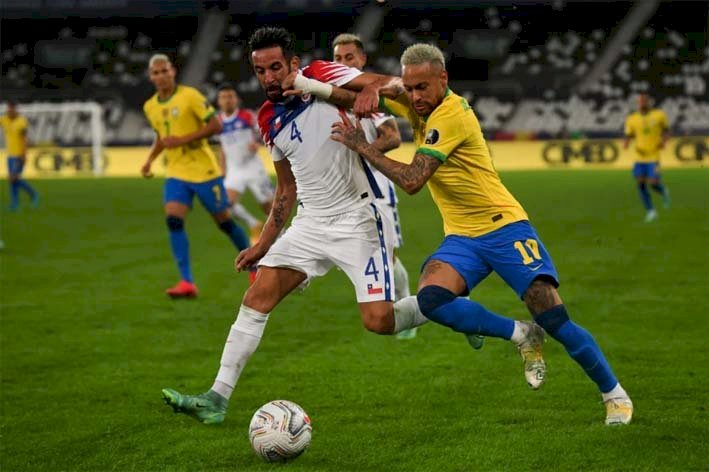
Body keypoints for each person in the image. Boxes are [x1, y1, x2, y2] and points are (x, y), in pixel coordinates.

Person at [160, 28, 541, 424]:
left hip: (357, 221)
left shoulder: (324, 74)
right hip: (309, 224)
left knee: (380, 321)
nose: (270, 77)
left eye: (276, 67)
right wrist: (262, 245)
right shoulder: (267, 118)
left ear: (294, 64)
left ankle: (450, 307)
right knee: (257, 297)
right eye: (260, 71)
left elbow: (391, 84)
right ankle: (216, 399)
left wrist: (375, 91)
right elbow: (285, 190)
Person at [330, 43, 632, 425]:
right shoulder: (415, 102)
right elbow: (348, 94)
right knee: (433, 299)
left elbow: (411, 180)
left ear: (443, 79)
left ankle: (614, 395)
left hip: (503, 226)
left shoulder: (452, 115)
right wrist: (307, 87)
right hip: (463, 237)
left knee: (553, 315)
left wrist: (363, 147)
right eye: (410, 88)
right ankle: (522, 335)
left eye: (423, 87)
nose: (415, 97)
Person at [332, 33, 422, 342]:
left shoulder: (371, 95)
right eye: (338, 59)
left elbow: (393, 136)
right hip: (349, 193)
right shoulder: (333, 95)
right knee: (365, 256)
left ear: (362, 60)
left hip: (379, 189)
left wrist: (361, 151)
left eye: (349, 58)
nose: (344, 63)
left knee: (389, 257)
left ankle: (408, 304)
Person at [141, 54, 252, 298]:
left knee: (224, 223)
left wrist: (182, 140)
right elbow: (162, 137)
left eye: (164, 71)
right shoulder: (150, 106)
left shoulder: (190, 96)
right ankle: (187, 282)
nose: (160, 76)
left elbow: (216, 126)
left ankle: (254, 265)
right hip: (176, 172)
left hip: (204, 172)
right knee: (173, 220)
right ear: (151, 77)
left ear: (173, 71)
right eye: (155, 72)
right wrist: (150, 160)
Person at [215, 82, 274, 244]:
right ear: (218, 101)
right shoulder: (217, 122)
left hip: (254, 168)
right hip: (235, 171)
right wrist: (222, 170)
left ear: (236, 100)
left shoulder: (247, 116)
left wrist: (257, 142)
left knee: (268, 207)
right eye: (224, 97)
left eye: (230, 97)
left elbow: (264, 132)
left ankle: (280, 235)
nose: (227, 100)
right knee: (225, 206)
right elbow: (222, 147)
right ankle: (253, 223)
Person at [623, 93, 670, 222]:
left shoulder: (659, 115)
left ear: (648, 102)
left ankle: (663, 190)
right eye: (640, 101)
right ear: (637, 103)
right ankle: (651, 211)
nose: (642, 103)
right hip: (639, 157)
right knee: (640, 183)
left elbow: (666, 130)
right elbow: (629, 134)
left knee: (653, 183)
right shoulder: (632, 119)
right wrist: (626, 142)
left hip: (653, 156)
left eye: (644, 101)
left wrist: (664, 141)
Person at [1, 102, 39, 211]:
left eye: (11, 109)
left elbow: (25, 139)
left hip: (19, 154)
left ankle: (33, 194)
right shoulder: (4, 119)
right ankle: (15, 204)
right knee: (13, 180)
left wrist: (24, 154)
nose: (9, 111)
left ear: (15, 109)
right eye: (8, 109)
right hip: (10, 154)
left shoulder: (21, 121)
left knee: (13, 178)